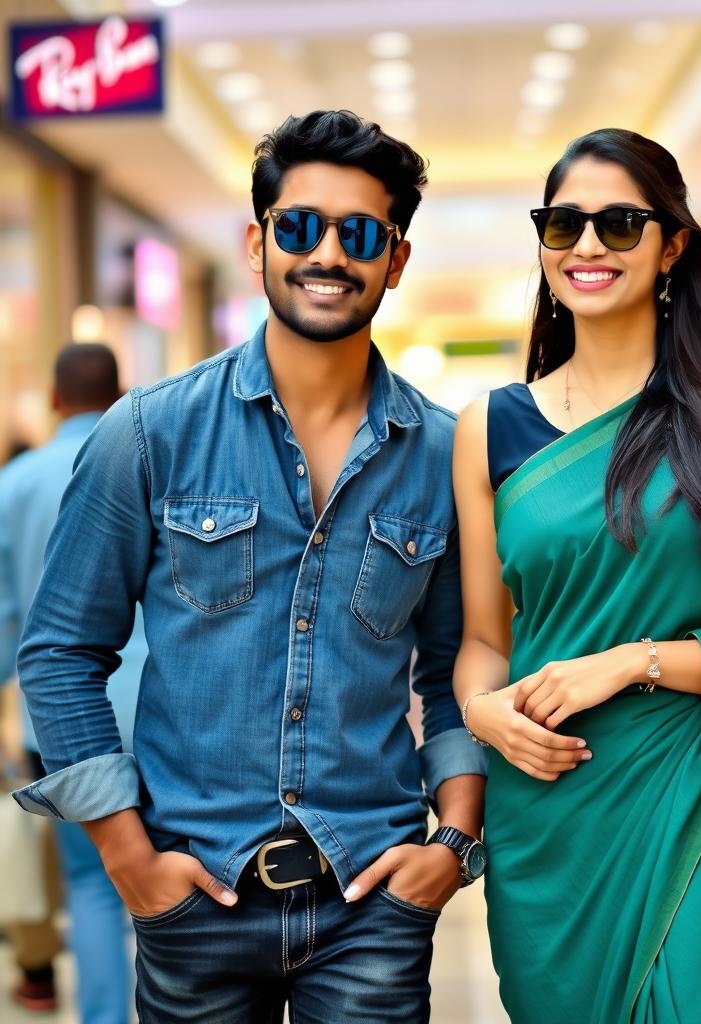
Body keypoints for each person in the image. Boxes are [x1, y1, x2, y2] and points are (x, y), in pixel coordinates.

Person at [12, 110, 487, 1023]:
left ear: (396, 258)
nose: (329, 254)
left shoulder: (441, 452)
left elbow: (459, 662)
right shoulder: (148, 434)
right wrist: (128, 860)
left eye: (361, 234)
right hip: (194, 895)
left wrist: (454, 842)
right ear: (258, 241)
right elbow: (62, 650)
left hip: (371, 905)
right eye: (301, 226)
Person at [452, 128, 701, 1023]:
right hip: (547, 812)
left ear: (673, 243)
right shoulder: (489, 426)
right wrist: (484, 712)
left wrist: (633, 660)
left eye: (620, 223)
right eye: (564, 225)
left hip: (699, 789)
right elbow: (486, 639)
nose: (589, 246)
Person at [0, 343, 142, 1021]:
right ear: (121, 395)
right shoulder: (148, 462)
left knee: (91, 884)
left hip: (57, 721)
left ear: (55, 400)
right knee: (184, 878)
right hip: (161, 711)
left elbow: (5, 622)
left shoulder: (15, 483)